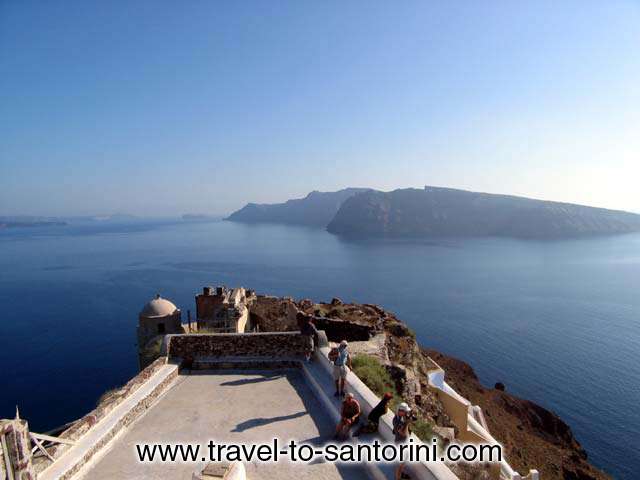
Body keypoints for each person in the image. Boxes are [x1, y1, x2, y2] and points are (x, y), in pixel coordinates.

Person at [393, 402, 412, 480]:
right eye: (405, 411)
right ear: (400, 411)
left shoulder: (398, 418)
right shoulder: (398, 421)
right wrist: (407, 423)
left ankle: (401, 474)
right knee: (399, 465)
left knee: (401, 464)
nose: (406, 413)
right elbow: (403, 433)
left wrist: (406, 421)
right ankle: (398, 478)